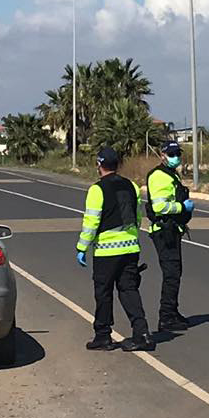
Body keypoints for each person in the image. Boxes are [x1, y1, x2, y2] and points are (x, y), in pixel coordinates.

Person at [77, 147, 154, 350]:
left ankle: (103, 335)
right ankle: (142, 333)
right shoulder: (132, 187)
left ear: (99, 165)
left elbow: (91, 222)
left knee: (103, 292)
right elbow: (136, 218)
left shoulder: (97, 190)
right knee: (129, 290)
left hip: (106, 251)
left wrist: (82, 247)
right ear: (118, 165)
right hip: (130, 249)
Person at [144, 140, 196, 332]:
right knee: (171, 274)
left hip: (173, 229)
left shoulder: (171, 175)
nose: (176, 157)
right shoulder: (158, 176)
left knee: (176, 272)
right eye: (172, 154)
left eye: (178, 154)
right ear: (162, 155)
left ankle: (172, 312)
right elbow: (159, 207)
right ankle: (166, 317)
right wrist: (182, 207)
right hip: (164, 231)